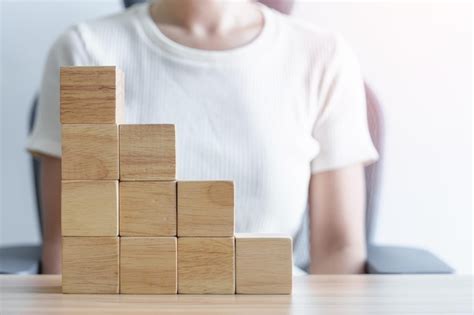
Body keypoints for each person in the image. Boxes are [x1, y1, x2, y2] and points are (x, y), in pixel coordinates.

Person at [27, 0, 378, 274]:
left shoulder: (323, 56)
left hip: (272, 299)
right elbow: (72, 247)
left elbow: (338, 249)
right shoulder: (86, 50)